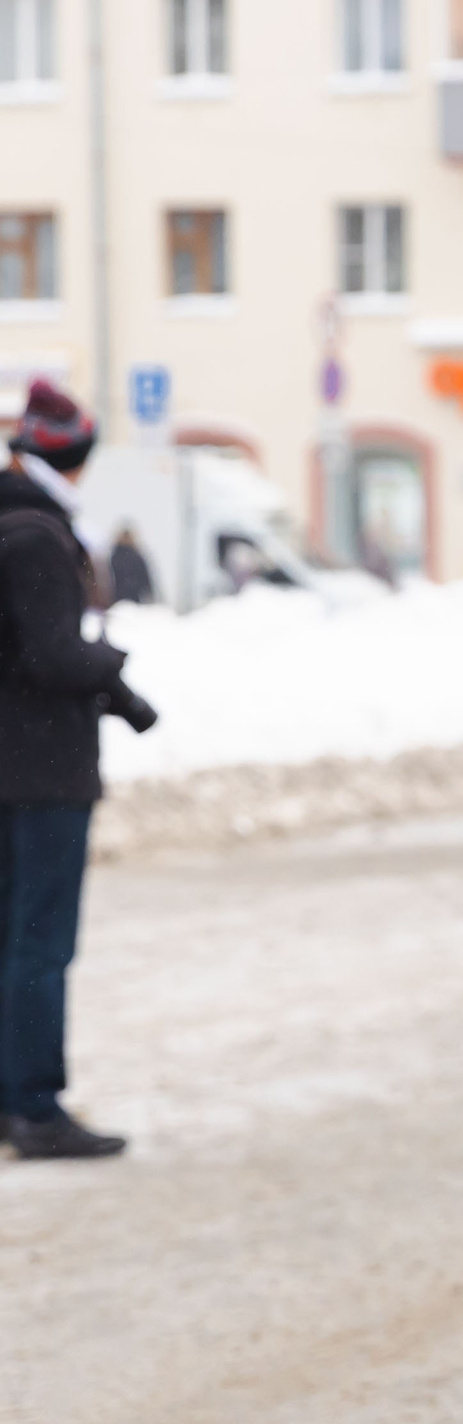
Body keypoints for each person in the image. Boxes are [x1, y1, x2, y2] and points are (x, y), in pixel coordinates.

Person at [0, 379, 158, 1161]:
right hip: (42, 768)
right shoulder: (38, 534)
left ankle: (12, 1103)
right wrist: (113, 662)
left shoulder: (10, 519)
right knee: (39, 942)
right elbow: (55, 654)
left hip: (11, 765)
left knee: (10, 936)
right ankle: (33, 1104)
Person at [107, 525, 157, 607]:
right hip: (120, 597)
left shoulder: (118, 556)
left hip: (129, 597)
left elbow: (145, 577)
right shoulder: (116, 556)